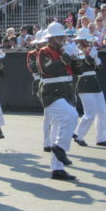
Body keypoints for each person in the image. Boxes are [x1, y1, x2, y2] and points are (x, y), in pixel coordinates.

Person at [37, 21, 79, 181]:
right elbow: (50, 69)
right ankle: (60, 147)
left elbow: (78, 71)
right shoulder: (43, 52)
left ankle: (57, 169)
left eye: (63, 36)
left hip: (66, 91)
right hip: (51, 92)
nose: (63, 39)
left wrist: (77, 58)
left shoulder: (63, 51)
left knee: (57, 128)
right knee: (71, 116)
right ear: (52, 38)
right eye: (60, 37)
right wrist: (67, 56)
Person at [71, 28, 106, 148]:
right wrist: (90, 57)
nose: (88, 42)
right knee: (90, 113)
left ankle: (102, 138)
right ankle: (78, 135)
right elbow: (81, 66)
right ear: (80, 40)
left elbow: (98, 68)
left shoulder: (90, 49)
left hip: (94, 82)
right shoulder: (75, 51)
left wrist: (97, 61)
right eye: (86, 40)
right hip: (84, 82)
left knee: (102, 112)